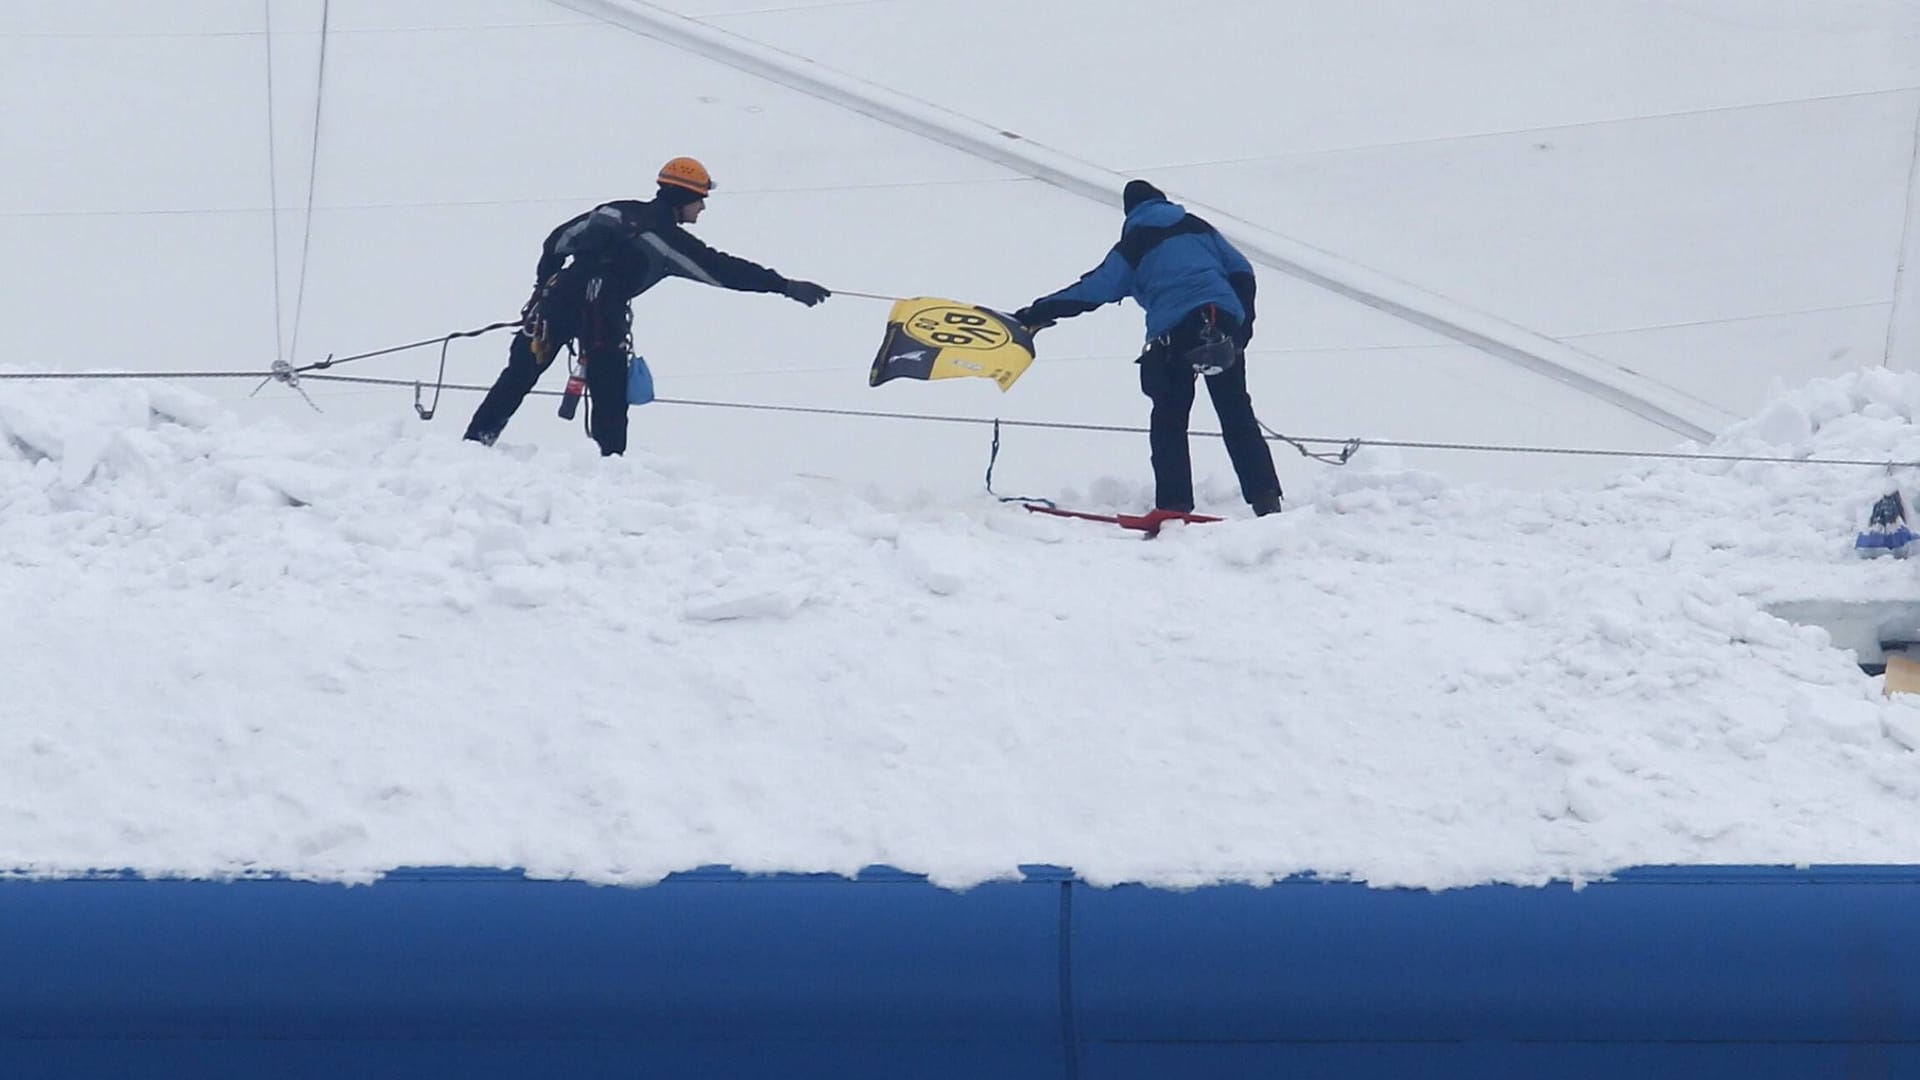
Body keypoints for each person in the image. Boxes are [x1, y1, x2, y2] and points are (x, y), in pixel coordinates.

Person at [465, 157, 831, 455]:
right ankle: (610, 471)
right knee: (609, 400)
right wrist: (782, 285)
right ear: (681, 198)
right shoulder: (670, 243)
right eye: (700, 199)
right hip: (602, 322)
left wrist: (542, 287)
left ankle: (474, 445)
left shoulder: (613, 211)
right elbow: (723, 270)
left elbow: (556, 242)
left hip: (555, 307)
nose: (702, 207)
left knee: (516, 378)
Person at [1013, 180, 1283, 516]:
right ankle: (1266, 498)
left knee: (1169, 417)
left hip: (1175, 332)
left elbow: (1093, 290)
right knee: (1235, 412)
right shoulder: (1198, 226)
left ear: (1130, 213)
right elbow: (1242, 271)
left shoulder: (1136, 242)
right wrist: (1241, 328)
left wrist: (1036, 313)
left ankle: (1174, 505)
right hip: (1223, 321)